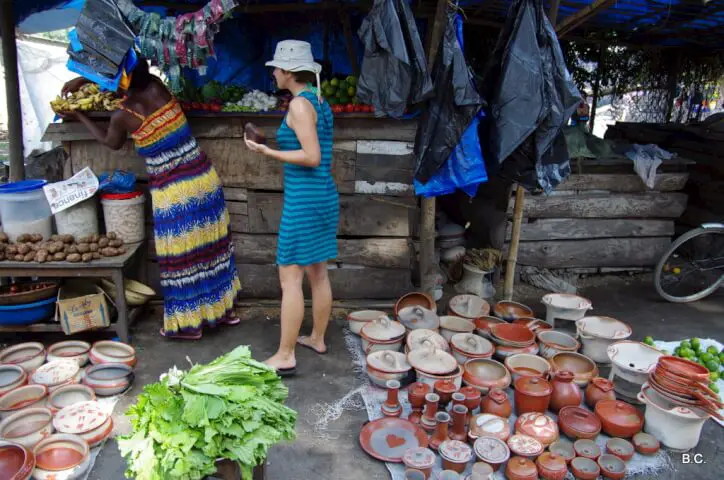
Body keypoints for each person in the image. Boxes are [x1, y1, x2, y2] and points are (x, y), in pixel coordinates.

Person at [59, 57, 242, 340]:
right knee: (211, 249)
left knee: (181, 259)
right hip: (204, 179)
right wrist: (86, 80)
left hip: (173, 192)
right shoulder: (158, 87)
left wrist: (78, 115)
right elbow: (126, 79)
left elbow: (111, 142)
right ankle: (223, 310)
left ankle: (189, 326)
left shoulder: (123, 114)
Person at [244, 40, 339, 376]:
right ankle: (316, 337)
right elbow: (314, 149)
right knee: (318, 272)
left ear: (287, 71)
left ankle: (285, 354)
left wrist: (267, 153)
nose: (272, 72)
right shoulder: (317, 100)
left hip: (305, 201)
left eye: (276, 68)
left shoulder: (300, 105)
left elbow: (311, 157)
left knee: (290, 277)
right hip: (322, 196)